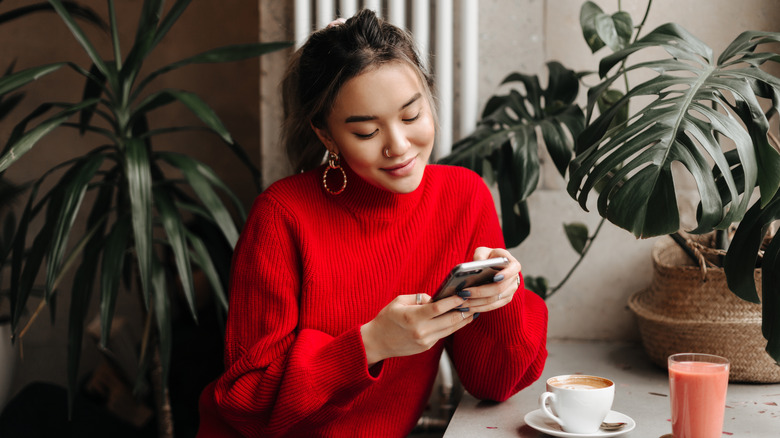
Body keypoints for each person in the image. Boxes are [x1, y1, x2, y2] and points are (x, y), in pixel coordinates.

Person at [197, 9, 547, 437]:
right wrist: (371, 344)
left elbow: (495, 384)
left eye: (411, 115)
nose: (398, 146)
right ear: (327, 136)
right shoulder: (281, 216)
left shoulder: (463, 197)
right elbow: (246, 404)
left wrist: (499, 300)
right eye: (365, 132)